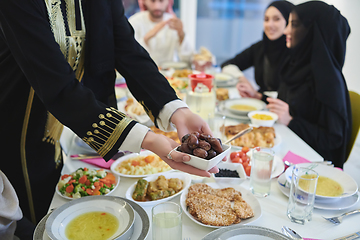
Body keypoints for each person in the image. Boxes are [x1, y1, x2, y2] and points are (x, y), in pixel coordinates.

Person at [0, 0, 217, 226]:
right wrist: (147, 139)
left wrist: (175, 109)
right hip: (13, 126)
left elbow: (127, 50)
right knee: (28, 216)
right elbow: (56, 84)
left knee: (50, 196)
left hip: (58, 123)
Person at [267, 1, 352, 168]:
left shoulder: (328, 81)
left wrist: (292, 121)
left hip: (311, 168)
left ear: (314, 31)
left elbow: (333, 140)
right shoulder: (296, 65)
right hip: (289, 146)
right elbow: (290, 108)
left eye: (294, 25)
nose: (286, 31)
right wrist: (259, 97)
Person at [221, 0, 294, 102]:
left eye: (276, 19)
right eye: (266, 19)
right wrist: (242, 79)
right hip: (260, 105)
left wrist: (257, 95)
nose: (270, 25)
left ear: (289, 22)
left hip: (282, 111)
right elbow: (227, 64)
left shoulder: (295, 52)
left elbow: (291, 97)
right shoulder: (260, 47)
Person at [128, 0, 193, 66]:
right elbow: (129, 56)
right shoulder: (134, 22)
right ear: (144, 1)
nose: (157, 6)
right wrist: (147, 37)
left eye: (161, 1)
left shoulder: (175, 23)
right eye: (152, 1)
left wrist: (181, 35)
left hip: (170, 73)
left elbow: (188, 59)